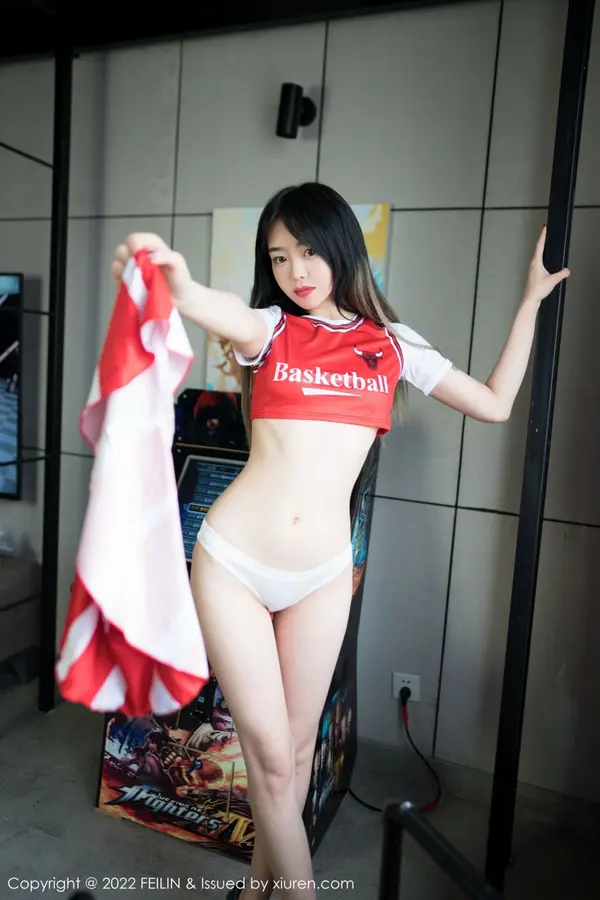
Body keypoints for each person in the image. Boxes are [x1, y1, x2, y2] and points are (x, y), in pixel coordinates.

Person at [110, 183, 569, 899]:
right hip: (233, 563)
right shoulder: (269, 329)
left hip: (323, 574)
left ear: (341, 247)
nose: (296, 270)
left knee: (295, 755)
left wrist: (531, 301)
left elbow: (495, 403)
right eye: (279, 256)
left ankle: (258, 892)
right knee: (270, 762)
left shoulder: (392, 343)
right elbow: (215, 307)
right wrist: (181, 286)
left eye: (309, 250)